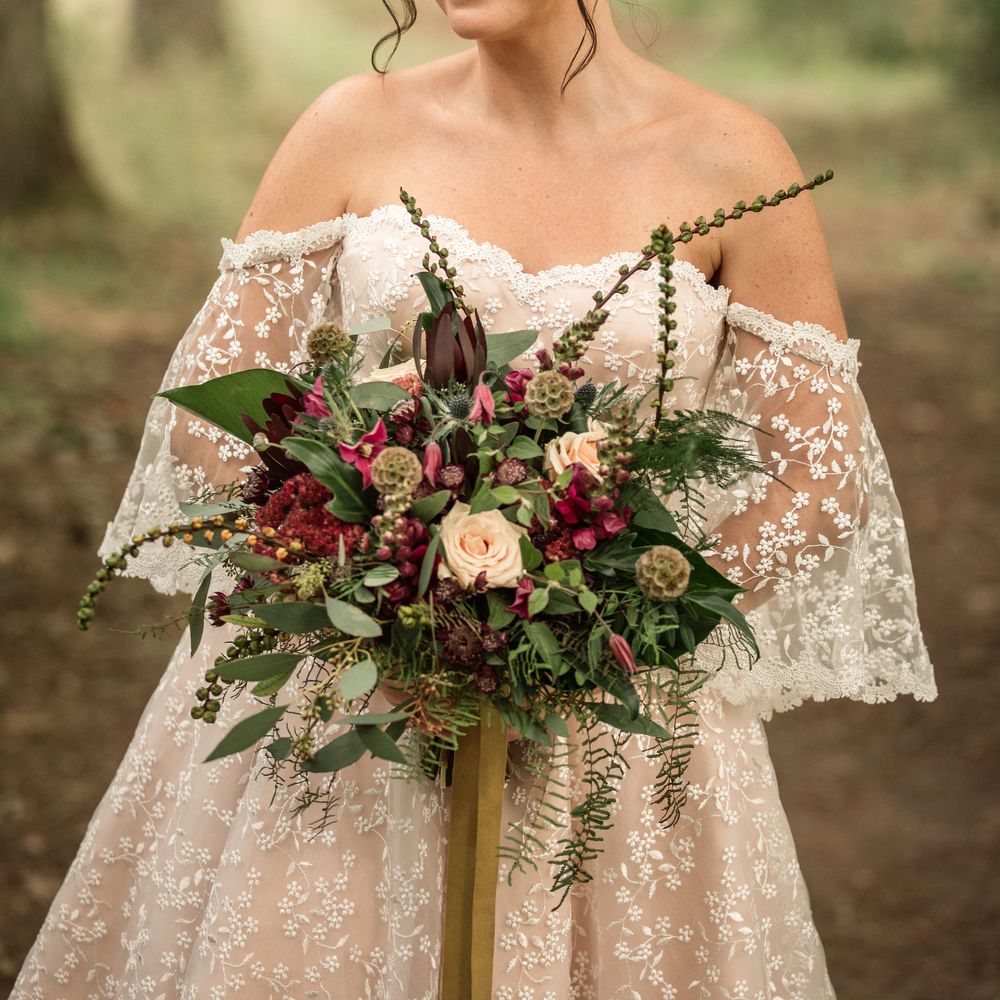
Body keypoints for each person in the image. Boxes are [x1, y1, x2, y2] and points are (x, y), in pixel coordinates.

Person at [11, 2, 936, 997]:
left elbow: (817, 473)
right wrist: (353, 562)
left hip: (607, 721)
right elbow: (209, 401)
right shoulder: (350, 125)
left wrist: (615, 628)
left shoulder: (734, 160)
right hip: (348, 707)